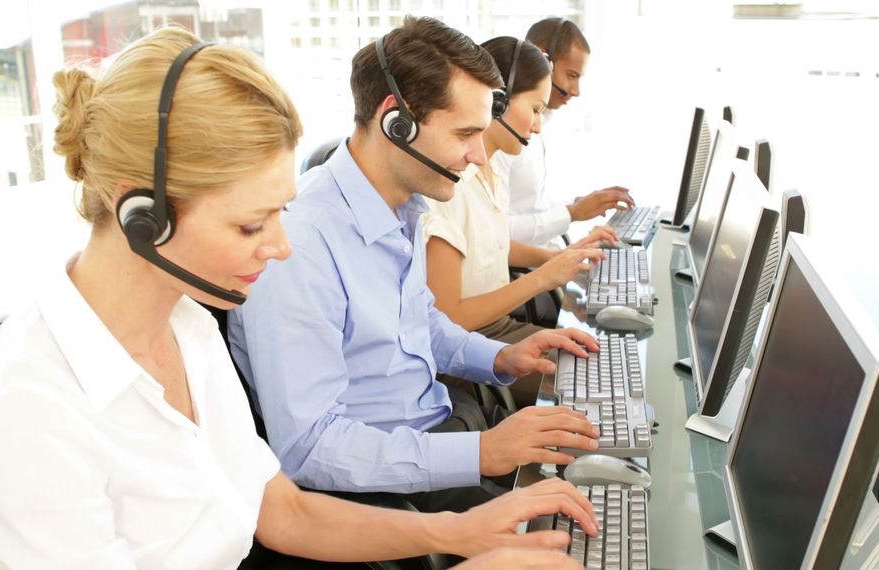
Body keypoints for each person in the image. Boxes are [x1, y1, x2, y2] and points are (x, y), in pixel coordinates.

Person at [0, 27, 596, 569]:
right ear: (144, 215)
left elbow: (282, 511)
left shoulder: (188, 326)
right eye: (251, 225)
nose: (281, 246)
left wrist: (456, 536)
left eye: (279, 213)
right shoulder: (19, 414)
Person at [229, 17, 601, 515]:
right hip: (386, 490)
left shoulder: (401, 207)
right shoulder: (300, 248)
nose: (476, 154)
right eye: (465, 134)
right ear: (395, 121)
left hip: (438, 432)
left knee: (593, 482)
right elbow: (309, 449)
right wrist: (482, 453)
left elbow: (419, 323)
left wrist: (497, 358)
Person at [419, 36, 608, 407]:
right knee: (598, 388)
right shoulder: (448, 189)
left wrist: (559, 260)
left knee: (600, 363)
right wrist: (543, 277)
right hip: (471, 346)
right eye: (535, 109)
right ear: (498, 102)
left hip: (498, 328)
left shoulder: (490, 171)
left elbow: (494, 245)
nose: (538, 126)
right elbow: (448, 317)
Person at [493, 17, 635, 251]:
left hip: (544, 258)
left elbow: (530, 206)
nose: (576, 91)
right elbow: (496, 234)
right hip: (524, 270)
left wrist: (580, 204)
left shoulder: (537, 126)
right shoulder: (504, 134)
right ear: (542, 60)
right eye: (571, 75)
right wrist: (572, 213)